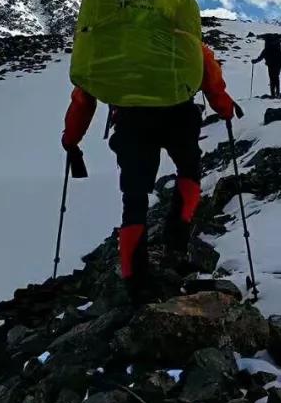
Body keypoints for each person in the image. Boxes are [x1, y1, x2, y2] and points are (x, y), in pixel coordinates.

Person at [61, 44, 238, 300]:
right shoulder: (178, 31)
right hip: (180, 115)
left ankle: (135, 277)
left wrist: (71, 138)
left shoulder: (111, 39)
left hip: (132, 120)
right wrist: (224, 107)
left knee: (134, 195)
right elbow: (208, 69)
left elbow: (84, 94)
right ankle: (176, 243)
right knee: (189, 171)